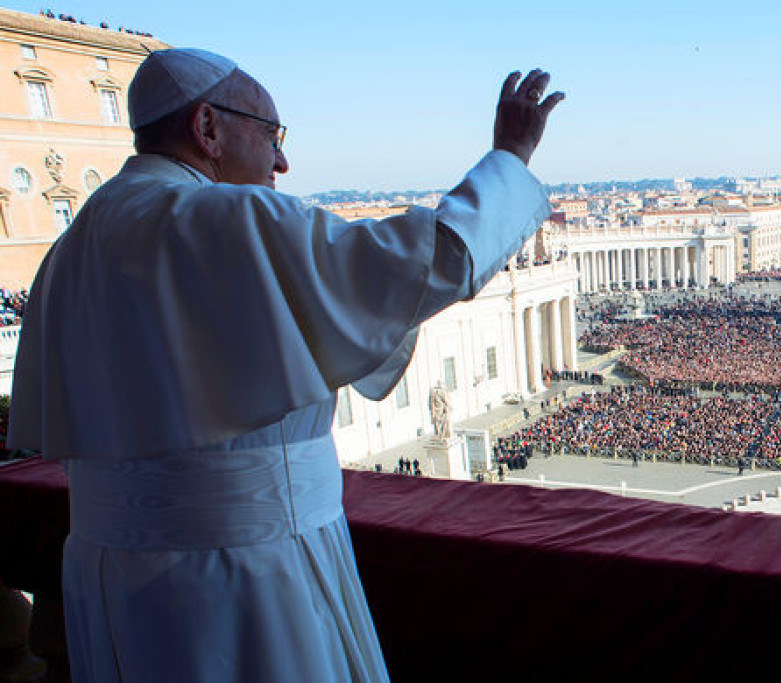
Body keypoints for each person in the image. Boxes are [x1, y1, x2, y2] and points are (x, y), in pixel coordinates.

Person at [7, 47, 563, 682]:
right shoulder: (225, 217)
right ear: (208, 128)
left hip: (109, 578)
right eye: (271, 135)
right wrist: (509, 160)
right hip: (243, 573)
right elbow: (433, 262)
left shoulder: (72, 245)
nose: (281, 160)